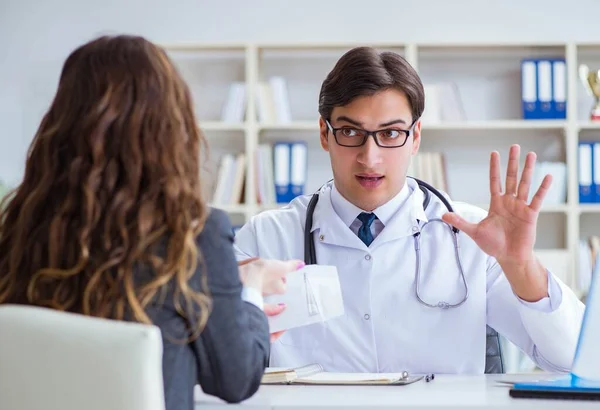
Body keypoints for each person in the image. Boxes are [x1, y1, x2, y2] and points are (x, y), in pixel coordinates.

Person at [233, 46, 585, 374]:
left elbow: (577, 361)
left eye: (390, 134)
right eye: (350, 131)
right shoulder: (264, 239)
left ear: (415, 136)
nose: (369, 157)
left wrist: (521, 265)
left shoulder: (474, 237)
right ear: (324, 133)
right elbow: (212, 362)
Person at [0, 35, 302, 410]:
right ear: (169, 127)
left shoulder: (19, 228)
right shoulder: (193, 234)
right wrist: (251, 290)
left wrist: (224, 280)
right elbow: (235, 380)